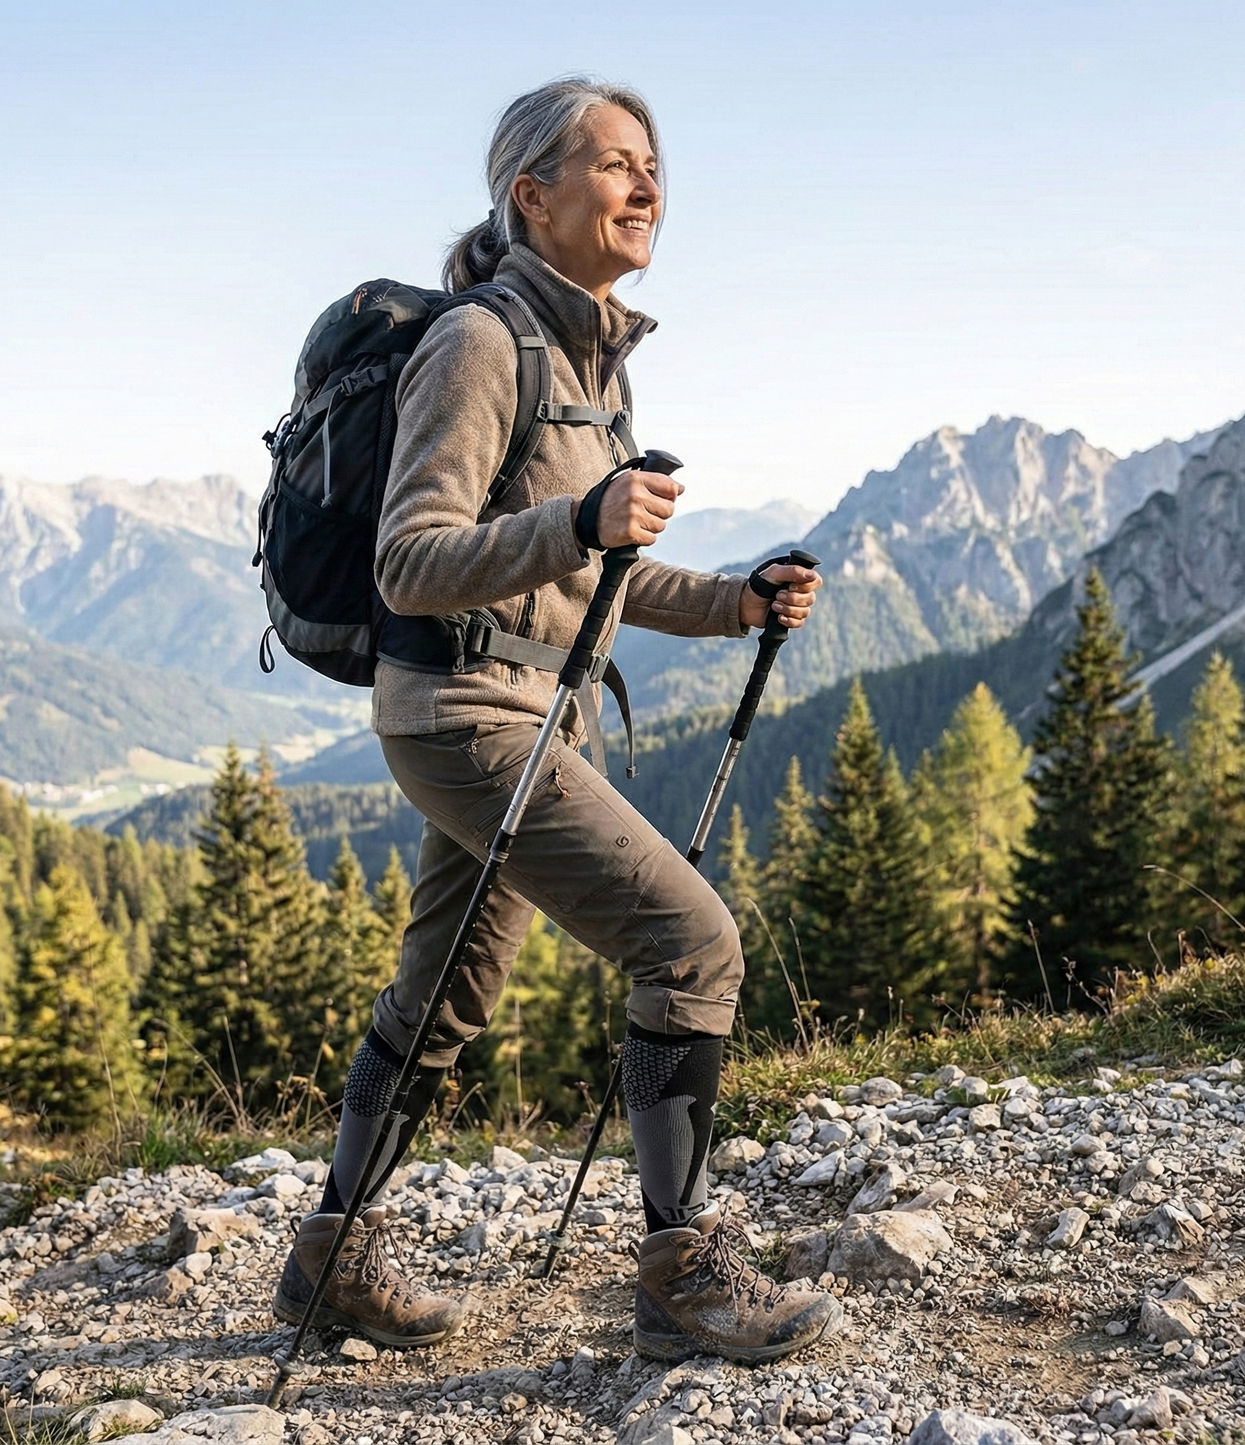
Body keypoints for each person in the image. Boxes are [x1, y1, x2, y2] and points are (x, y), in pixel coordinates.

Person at [273, 77, 837, 1365]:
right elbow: (410, 561)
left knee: (444, 997)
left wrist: (741, 600)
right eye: (619, 163)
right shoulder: (481, 343)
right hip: (464, 714)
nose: (649, 187)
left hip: (536, 713)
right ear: (532, 195)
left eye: (657, 169)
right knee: (692, 945)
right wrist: (580, 520)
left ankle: (329, 1259)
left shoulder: (593, 370)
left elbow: (600, 584)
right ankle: (684, 1276)